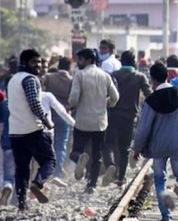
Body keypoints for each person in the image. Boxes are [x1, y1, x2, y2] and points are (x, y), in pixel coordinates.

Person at [132, 62, 178, 221]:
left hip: (158, 147)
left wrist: (137, 149)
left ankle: (166, 216)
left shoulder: (151, 100)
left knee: (159, 179)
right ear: (167, 76)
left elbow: (143, 129)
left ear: (152, 80)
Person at [7, 49, 56, 210]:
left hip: (15, 130)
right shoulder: (30, 79)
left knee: (21, 169)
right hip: (33, 129)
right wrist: (46, 121)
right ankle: (37, 183)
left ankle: (22, 202)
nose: (38, 65)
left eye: (39, 62)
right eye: (34, 62)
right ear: (25, 63)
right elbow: (34, 103)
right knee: (49, 160)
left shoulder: (13, 79)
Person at [68, 48, 120, 193]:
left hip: (82, 121)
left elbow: (73, 99)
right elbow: (115, 98)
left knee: (76, 150)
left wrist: (72, 105)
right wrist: (106, 103)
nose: (79, 63)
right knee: (97, 155)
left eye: (81, 59)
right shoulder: (105, 76)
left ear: (89, 60)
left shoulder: (80, 75)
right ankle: (91, 185)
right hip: (100, 122)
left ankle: (79, 158)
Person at [105, 50, 152, 186]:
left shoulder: (114, 75)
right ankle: (121, 177)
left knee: (110, 144)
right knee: (124, 147)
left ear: (121, 62)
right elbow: (149, 95)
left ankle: (112, 165)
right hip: (130, 116)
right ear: (134, 62)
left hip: (113, 114)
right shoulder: (139, 77)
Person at [41, 57, 73, 179]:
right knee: (61, 145)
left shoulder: (49, 77)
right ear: (69, 68)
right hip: (64, 115)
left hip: (49, 116)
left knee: (48, 144)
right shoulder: (72, 81)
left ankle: (46, 171)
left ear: (59, 65)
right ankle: (57, 173)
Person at [0, 91, 12, 205]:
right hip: (18, 142)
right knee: (13, 171)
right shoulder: (21, 104)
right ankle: (9, 186)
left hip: (4, 142)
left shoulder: (3, 106)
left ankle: (5, 186)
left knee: (1, 171)